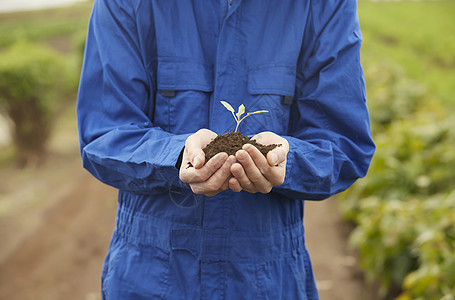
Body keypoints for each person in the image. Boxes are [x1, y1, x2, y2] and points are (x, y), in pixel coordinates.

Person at [77, 0, 375, 299]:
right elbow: (104, 133)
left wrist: (288, 158)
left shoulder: (322, 6)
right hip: (150, 276)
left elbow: (343, 145)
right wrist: (177, 154)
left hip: (267, 278)